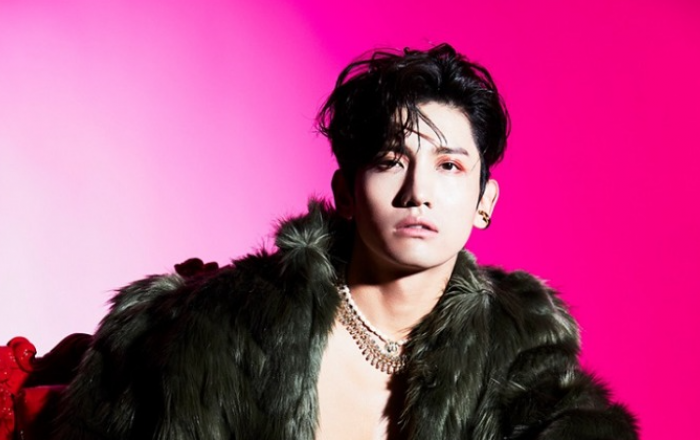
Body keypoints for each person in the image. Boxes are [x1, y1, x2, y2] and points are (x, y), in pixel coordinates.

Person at [51, 44, 638, 440]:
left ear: (485, 201)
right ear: (347, 193)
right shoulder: (221, 329)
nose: (418, 192)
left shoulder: (520, 346)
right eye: (390, 161)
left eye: (450, 166)